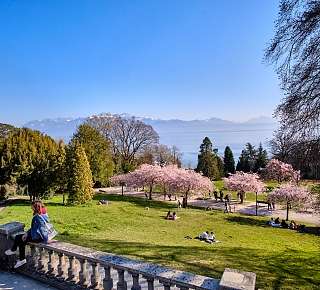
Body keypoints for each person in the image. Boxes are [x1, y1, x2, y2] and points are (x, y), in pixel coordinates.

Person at [5, 201, 49, 268]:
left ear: (36, 207)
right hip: (37, 235)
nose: (31, 208)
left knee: (19, 238)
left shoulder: (38, 217)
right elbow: (34, 227)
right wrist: (26, 233)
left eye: (32, 207)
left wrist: (45, 240)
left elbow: (41, 228)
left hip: (38, 237)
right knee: (20, 238)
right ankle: (20, 258)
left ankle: (16, 253)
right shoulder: (44, 214)